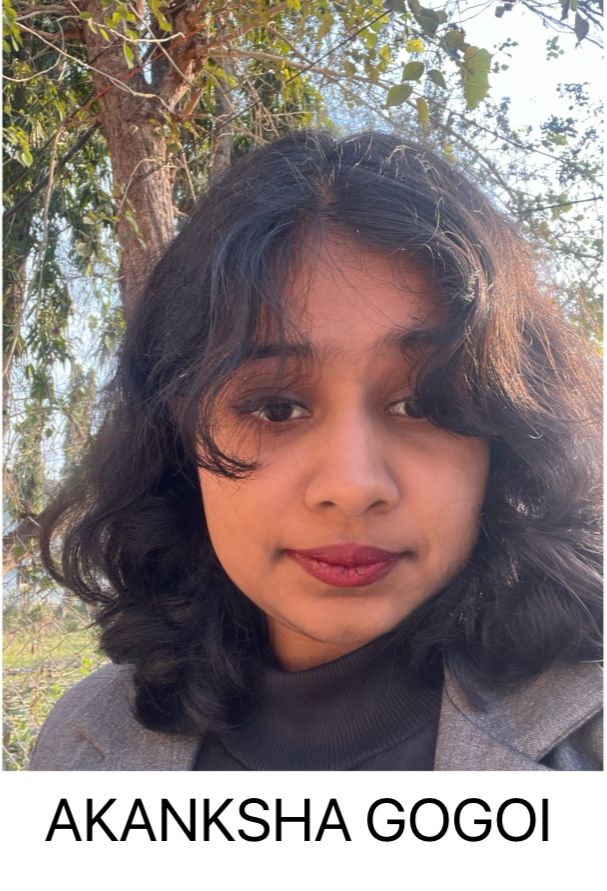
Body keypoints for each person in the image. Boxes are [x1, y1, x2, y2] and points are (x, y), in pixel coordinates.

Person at [29, 129, 602, 771]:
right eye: (276, 408)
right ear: (181, 433)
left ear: (507, 431)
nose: (352, 486)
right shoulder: (79, 742)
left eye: (423, 404)